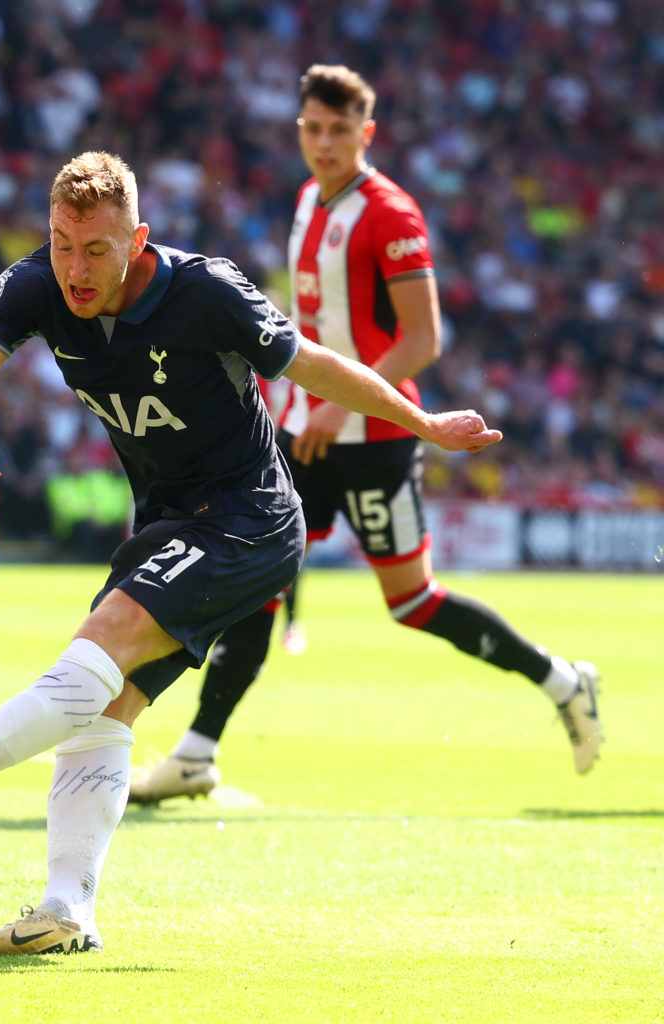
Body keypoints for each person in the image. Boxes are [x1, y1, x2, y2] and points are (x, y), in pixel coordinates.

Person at [0, 150, 500, 955]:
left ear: (137, 239)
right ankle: (68, 911)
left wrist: (423, 425)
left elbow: (313, 364)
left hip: (249, 517)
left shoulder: (207, 291)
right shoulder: (34, 284)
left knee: (100, 641)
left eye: (95, 250)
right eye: (62, 244)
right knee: (105, 708)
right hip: (168, 523)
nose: (74, 267)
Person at [128, 65, 601, 806]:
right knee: (253, 582)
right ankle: (198, 752)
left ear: (366, 133)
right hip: (303, 433)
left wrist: (335, 406)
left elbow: (423, 338)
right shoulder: (308, 201)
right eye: (311, 129)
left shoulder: (392, 215)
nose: (322, 143)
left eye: (338, 131)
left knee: (411, 603)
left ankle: (564, 680)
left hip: (375, 438)